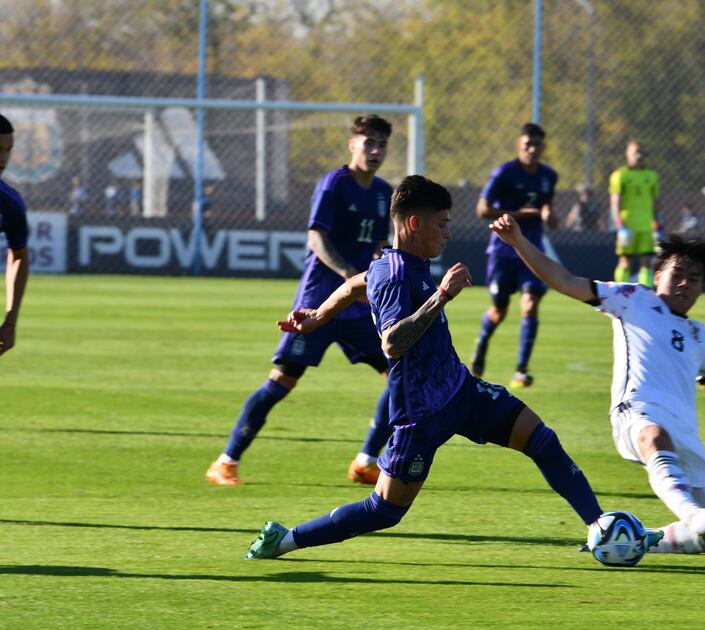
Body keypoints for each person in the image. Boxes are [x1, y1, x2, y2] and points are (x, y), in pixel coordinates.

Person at [244, 175, 606, 559]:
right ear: (415, 224)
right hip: (421, 415)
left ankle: (601, 528)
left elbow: (354, 286)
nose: (448, 233)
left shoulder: (400, 264)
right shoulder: (398, 275)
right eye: (442, 224)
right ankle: (284, 539)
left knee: (541, 440)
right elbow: (392, 343)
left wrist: (318, 315)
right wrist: (442, 296)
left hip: (461, 392)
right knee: (384, 510)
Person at [489, 215, 705, 554]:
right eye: (677, 275)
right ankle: (691, 514)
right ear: (658, 275)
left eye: (694, 279)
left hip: (684, 433)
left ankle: (640, 541)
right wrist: (519, 242)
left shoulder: (698, 334)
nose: (685, 284)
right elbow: (565, 280)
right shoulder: (633, 298)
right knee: (655, 438)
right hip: (637, 413)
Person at [206, 115, 396, 486]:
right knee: (282, 381)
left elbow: (374, 244)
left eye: (382, 145)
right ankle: (225, 462)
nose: (375, 151)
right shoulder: (334, 185)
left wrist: (379, 265)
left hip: (357, 307)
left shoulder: (382, 193)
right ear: (352, 144)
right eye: (368, 142)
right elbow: (316, 238)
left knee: (401, 374)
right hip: (317, 306)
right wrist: (346, 274)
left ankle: (365, 461)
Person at [471, 123, 559, 388]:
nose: (532, 149)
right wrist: (522, 214)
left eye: (537, 145)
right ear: (518, 145)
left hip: (531, 251)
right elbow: (482, 210)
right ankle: (482, 343)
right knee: (499, 309)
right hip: (502, 251)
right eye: (527, 144)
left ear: (543, 147)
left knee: (530, 304)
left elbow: (546, 209)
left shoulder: (548, 176)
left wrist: (549, 216)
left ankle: (521, 370)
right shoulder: (505, 173)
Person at [609, 140, 662, 287]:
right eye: (635, 152)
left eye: (640, 152)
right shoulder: (620, 175)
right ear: (628, 154)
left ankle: (646, 295)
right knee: (625, 261)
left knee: (646, 263)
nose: (638, 156)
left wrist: (657, 225)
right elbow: (615, 202)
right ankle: (620, 293)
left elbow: (656, 202)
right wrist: (620, 226)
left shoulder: (651, 175)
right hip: (628, 225)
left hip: (646, 226)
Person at [0, 114, 29, 357]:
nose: (3, 158)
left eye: (8, 150)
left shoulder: (9, 202)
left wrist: (10, 321)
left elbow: (18, 255)